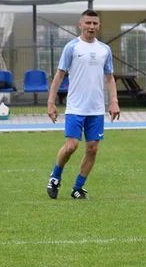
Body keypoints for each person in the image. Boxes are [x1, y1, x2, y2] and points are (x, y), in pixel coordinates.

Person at [45, 10, 121, 200]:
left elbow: (110, 77)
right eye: (88, 23)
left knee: (93, 148)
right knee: (71, 146)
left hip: (96, 109)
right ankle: (55, 177)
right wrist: (51, 103)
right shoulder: (72, 47)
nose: (91, 27)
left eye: (95, 23)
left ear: (99, 26)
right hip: (75, 108)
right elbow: (59, 75)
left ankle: (78, 188)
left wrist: (114, 101)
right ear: (80, 25)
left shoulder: (105, 50)